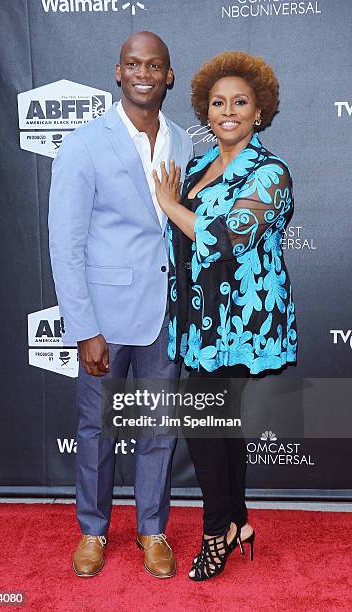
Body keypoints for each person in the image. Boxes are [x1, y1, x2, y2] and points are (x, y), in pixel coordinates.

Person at [48, 31, 193, 578]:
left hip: (164, 315)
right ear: (117, 71)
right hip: (105, 319)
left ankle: (153, 531)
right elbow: (66, 242)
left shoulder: (182, 141)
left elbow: (175, 228)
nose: (144, 73)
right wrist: (83, 326)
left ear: (168, 76)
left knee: (159, 428)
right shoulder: (84, 142)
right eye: (134, 63)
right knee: (97, 429)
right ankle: (92, 532)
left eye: (154, 64)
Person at [153, 51, 298, 581]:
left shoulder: (271, 172)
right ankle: (238, 522)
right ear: (205, 111)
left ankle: (216, 530)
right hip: (198, 318)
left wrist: (170, 204)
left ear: (260, 112)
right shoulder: (195, 166)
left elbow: (226, 237)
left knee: (203, 418)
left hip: (242, 320)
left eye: (240, 102)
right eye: (218, 103)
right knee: (221, 422)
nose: (228, 110)